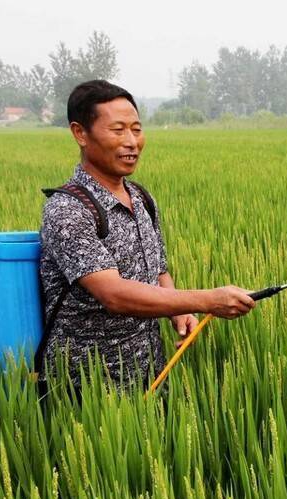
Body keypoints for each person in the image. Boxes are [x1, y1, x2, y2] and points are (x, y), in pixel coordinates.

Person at [39, 79, 254, 393]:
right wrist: (208, 300)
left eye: (136, 129)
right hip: (87, 388)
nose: (131, 142)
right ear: (80, 133)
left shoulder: (140, 198)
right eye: (117, 130)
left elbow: (157, 269)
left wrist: (178, 308)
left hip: (150, 373)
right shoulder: (68, 210)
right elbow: (113, 293)